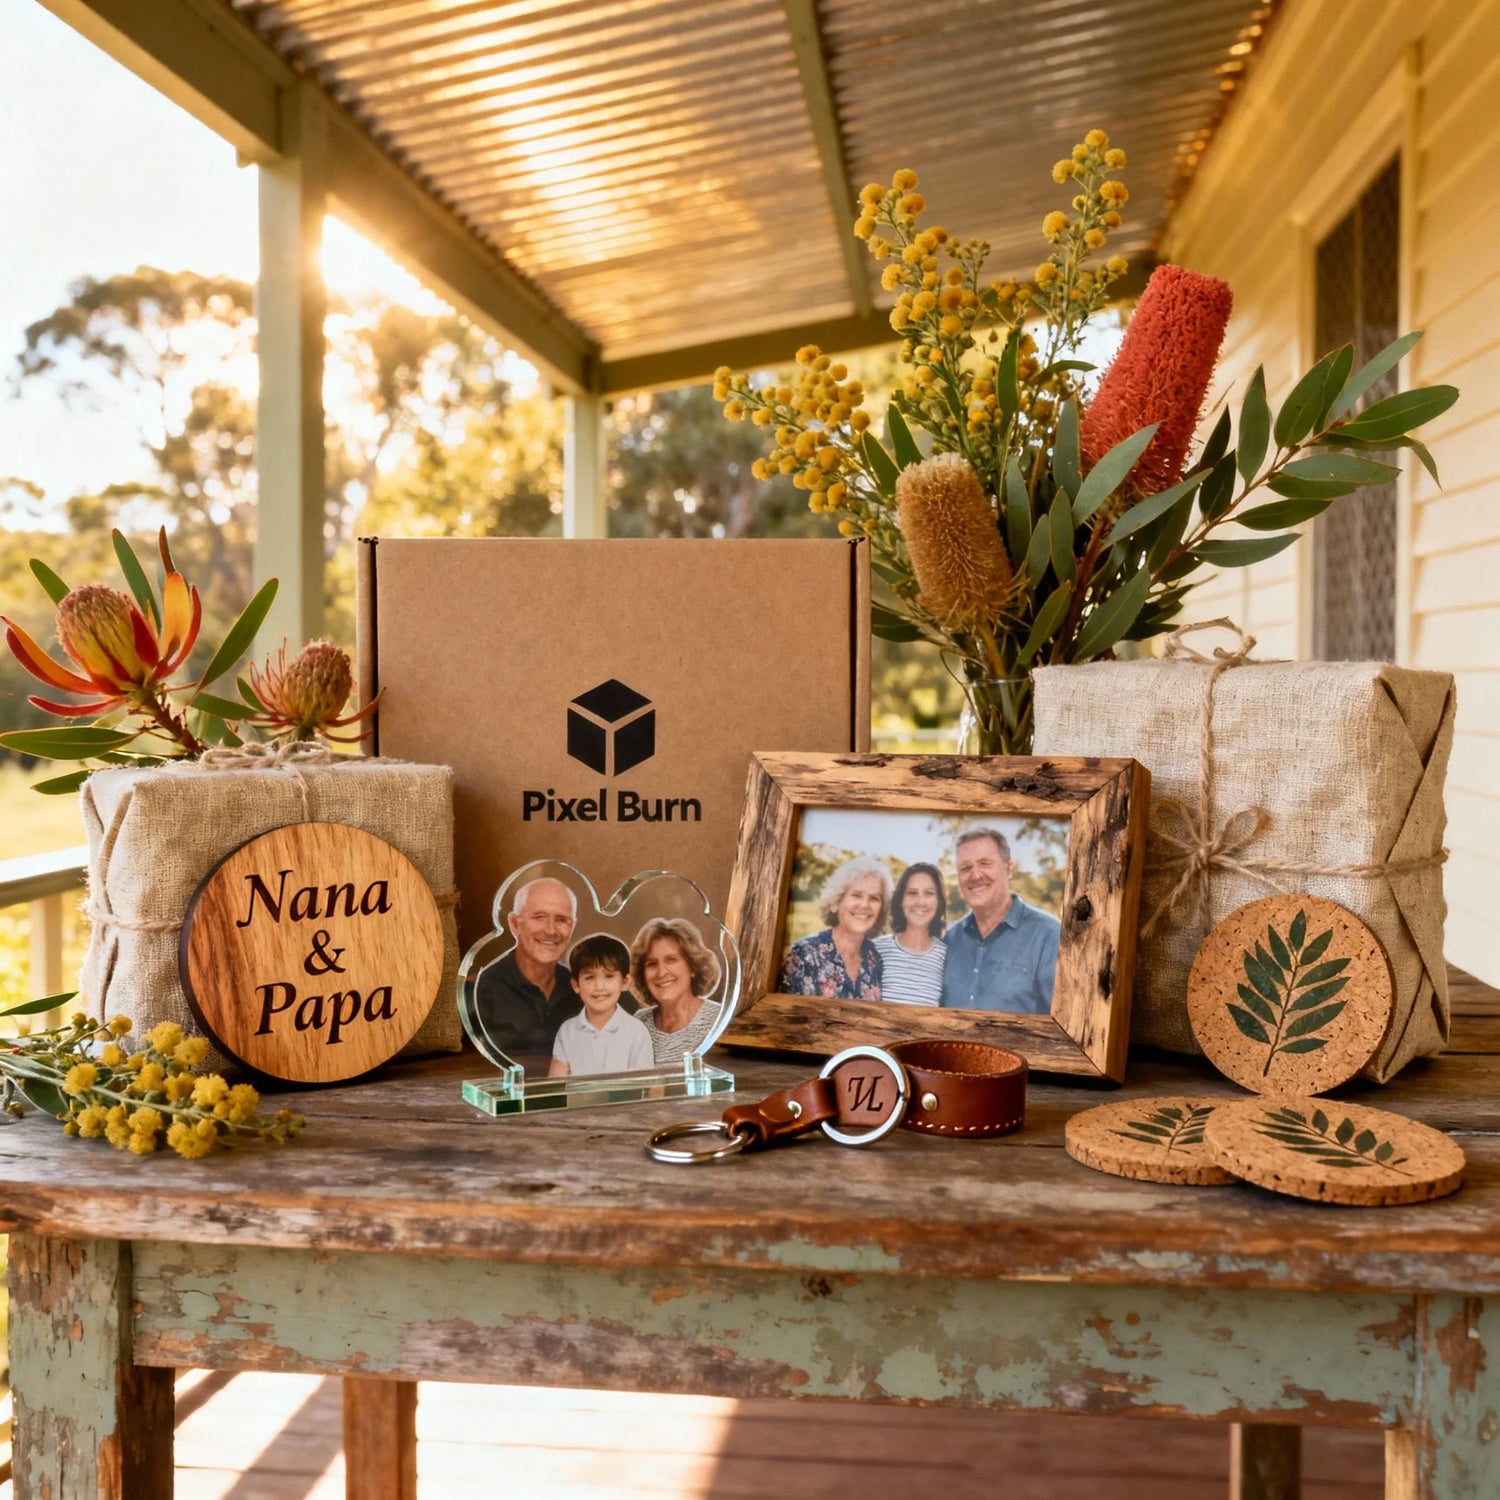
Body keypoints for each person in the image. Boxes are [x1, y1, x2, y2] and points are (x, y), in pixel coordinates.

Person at [941, 827, 1060, 1014]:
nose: (975, 875)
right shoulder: (948, 939)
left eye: (985, 863)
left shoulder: (1049, 936)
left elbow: (1064, 1026)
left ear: (1009, 869)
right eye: (965, 868)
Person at [471, 876, 582, 1060]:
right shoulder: (483, 990)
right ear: (515, 924)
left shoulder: (580, 989)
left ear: (572, 927)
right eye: (539, 917)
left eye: (561, 920)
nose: (551, 930)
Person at [778, 855, 890, 1001]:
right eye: (856, 895)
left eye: (874, 898)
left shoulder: (874, 958)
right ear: (836, 902)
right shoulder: (804, 953)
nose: (865, 905)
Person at [548, 934, 654, 1077]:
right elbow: (556, 1086)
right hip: (577, 1099)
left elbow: (649, 1086)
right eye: (589, 978)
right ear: (576, 984)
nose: (599, 986)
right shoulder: (567, 1031)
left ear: (625, 982)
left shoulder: (636, 1032)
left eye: (609, 976)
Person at [632, 917, 724, 1066]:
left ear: (693, 966)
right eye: (652, 964)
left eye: (671, 960)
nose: (661, 972)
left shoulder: (718, 1020)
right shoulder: (638, 1023)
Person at [873, 862, 948, 1006]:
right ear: (901, 900)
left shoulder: (946, 957)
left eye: (929, 893)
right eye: (912, 893)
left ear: (939, 902)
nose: (920, 901)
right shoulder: (876, 950)